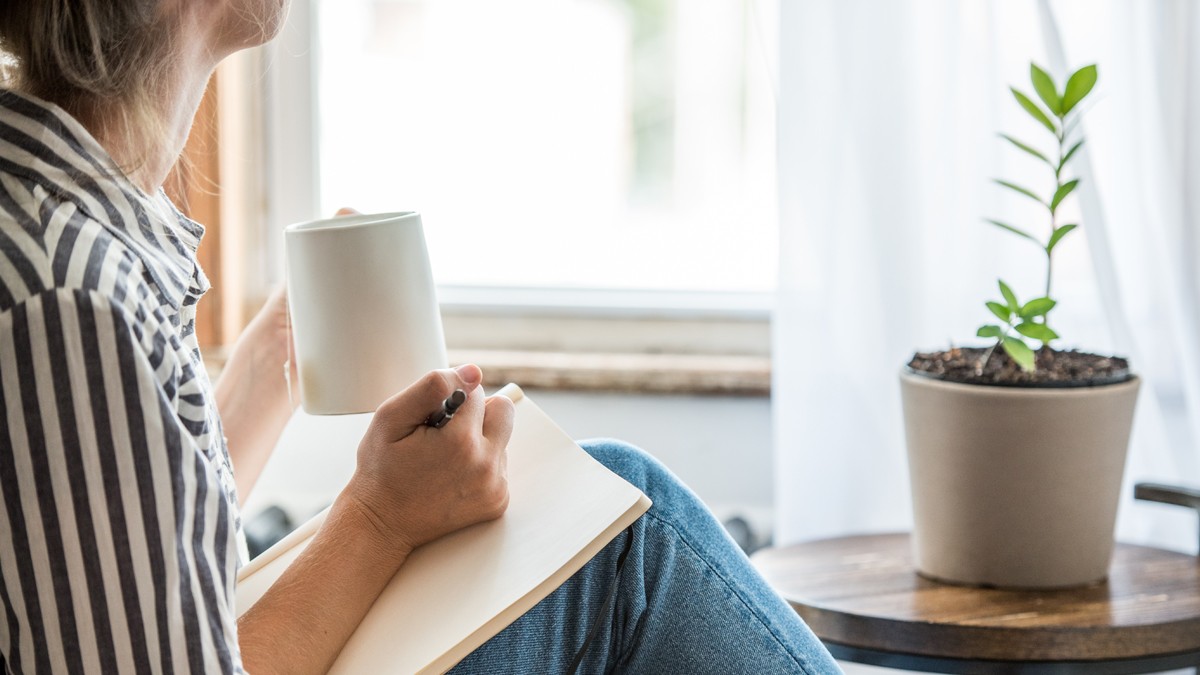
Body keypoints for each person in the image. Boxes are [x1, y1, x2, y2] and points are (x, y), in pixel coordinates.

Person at [0, 1, 840, 673]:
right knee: (628, 533)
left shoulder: (63, 230)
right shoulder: (73, 300)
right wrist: (376, 514)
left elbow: (122, 559)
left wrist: (268, 368)